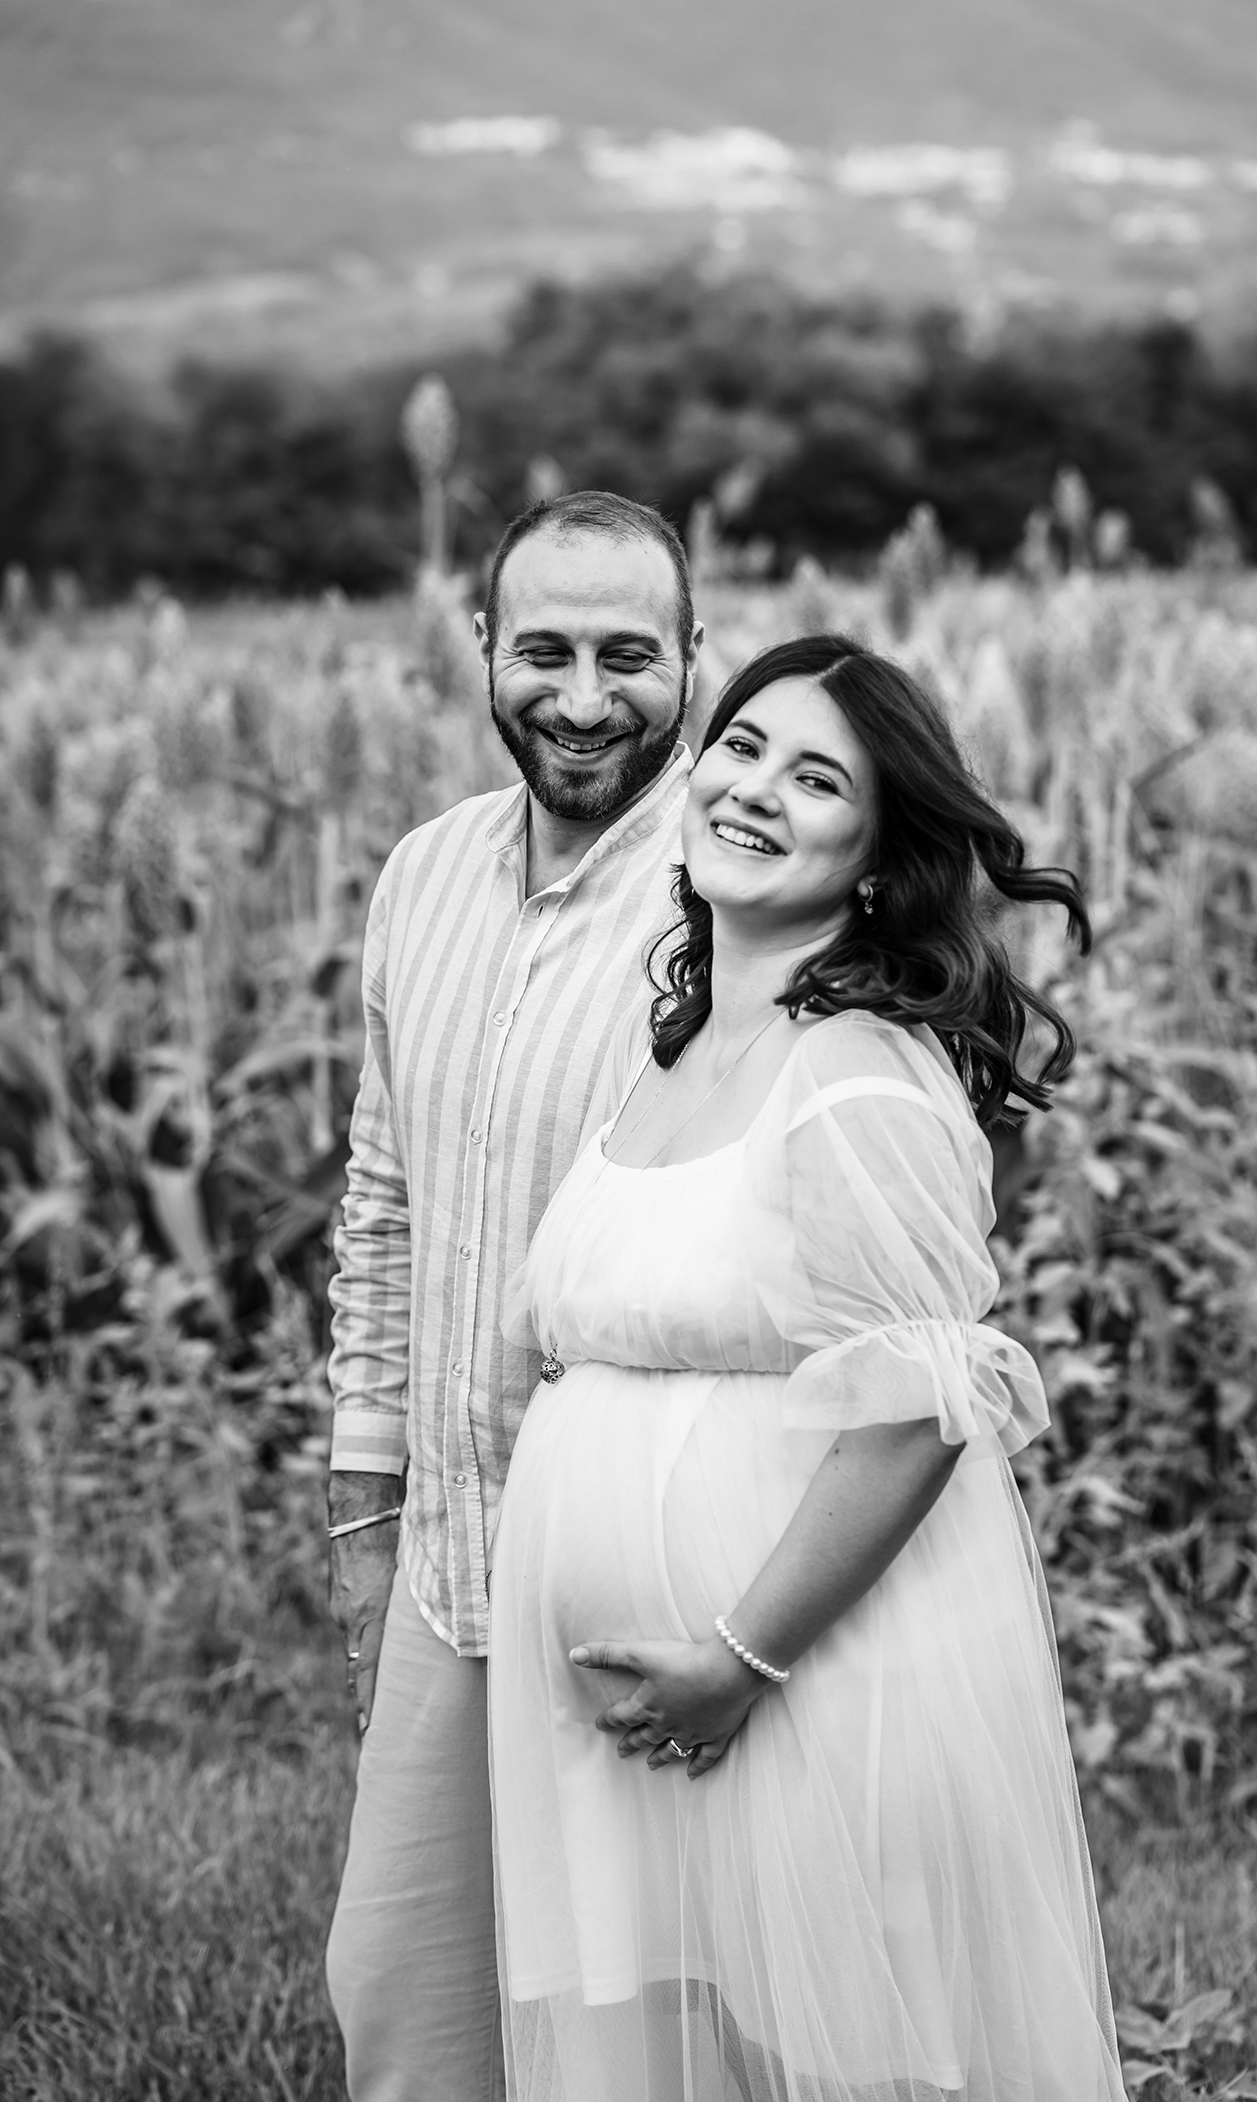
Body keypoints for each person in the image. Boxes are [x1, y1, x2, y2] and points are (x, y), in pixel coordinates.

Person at [490, 636, 1128, 2102]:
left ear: (877, 862)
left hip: (797, 1684)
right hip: (646, 1714)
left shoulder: (853, 1070)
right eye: (741, 747)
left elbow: (918, 1415)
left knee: (837, 2059)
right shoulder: (670, 1055)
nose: (756, 789)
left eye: (818, 778)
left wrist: (739, 1660)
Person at [323, 490, 702, 2102]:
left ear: (693, 656)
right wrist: (363, 1508)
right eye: (543, 650)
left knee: (643, 2024)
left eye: (629, 654)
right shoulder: (423, 874)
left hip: (643, 1567)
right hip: (448, 1552)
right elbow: (384, 1202)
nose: (584, 697)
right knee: (404, 2002)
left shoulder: (730, 896)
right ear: (482, 647)